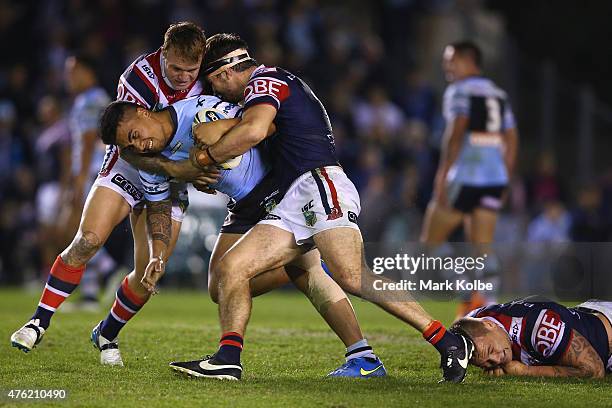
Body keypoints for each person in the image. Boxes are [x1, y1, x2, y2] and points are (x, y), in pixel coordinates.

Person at [172, 32, 473, 382]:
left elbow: (253, 131)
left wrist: (204, 158)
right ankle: (228, 359)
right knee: (230, 270)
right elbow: (259, 129)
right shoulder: (269, 86)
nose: (216, 93)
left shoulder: (265, 80)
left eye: (214, 84)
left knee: (351, 275)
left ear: (225, 73)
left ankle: (446, 340)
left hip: (319, 185)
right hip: (293, 199)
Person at [99, 95, 387, 378]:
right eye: (130, 144)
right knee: (219, 286)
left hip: (277, 188)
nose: (138, 144)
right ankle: (358, 349)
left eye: (135, 135)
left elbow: (259, 125)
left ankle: (231, 356)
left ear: (143, 112)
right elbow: (160, 208)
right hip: (243, 206)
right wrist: (157, 256)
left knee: (282, 274)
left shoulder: (201, 110)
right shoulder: (151, 161)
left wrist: (207, 152)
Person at [10, 22, 211, 366]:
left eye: (190, 70)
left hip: (173, 180)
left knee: (149, 273)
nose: (182, 77)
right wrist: (184, 169)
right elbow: (130, 143)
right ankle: (39, 321)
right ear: (163, 55)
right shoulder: (138, 78)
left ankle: (107, 332)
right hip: (129, 165)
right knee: (88, 239)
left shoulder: (208, 77)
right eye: (175, 68)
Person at [420, 41, 519, 314]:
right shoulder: (498, 93)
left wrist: (442, 174)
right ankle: (489, 306)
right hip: (494, 178)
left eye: (450, 60)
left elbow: (456, 129)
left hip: (465, 175)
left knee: (431, 242)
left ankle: (466, 292)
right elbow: (511, 138)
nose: (446, 66)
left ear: (468, 60)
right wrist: (506, 177)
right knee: (483, 247)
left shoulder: (459, 91)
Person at [451, 297, 611, 378]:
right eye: (487, 363)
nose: (498, 359)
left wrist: (526, 371)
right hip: (589, 313)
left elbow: (594, 371)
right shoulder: (475, 319)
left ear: (490, 325)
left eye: (492, 350)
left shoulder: (539, 328)